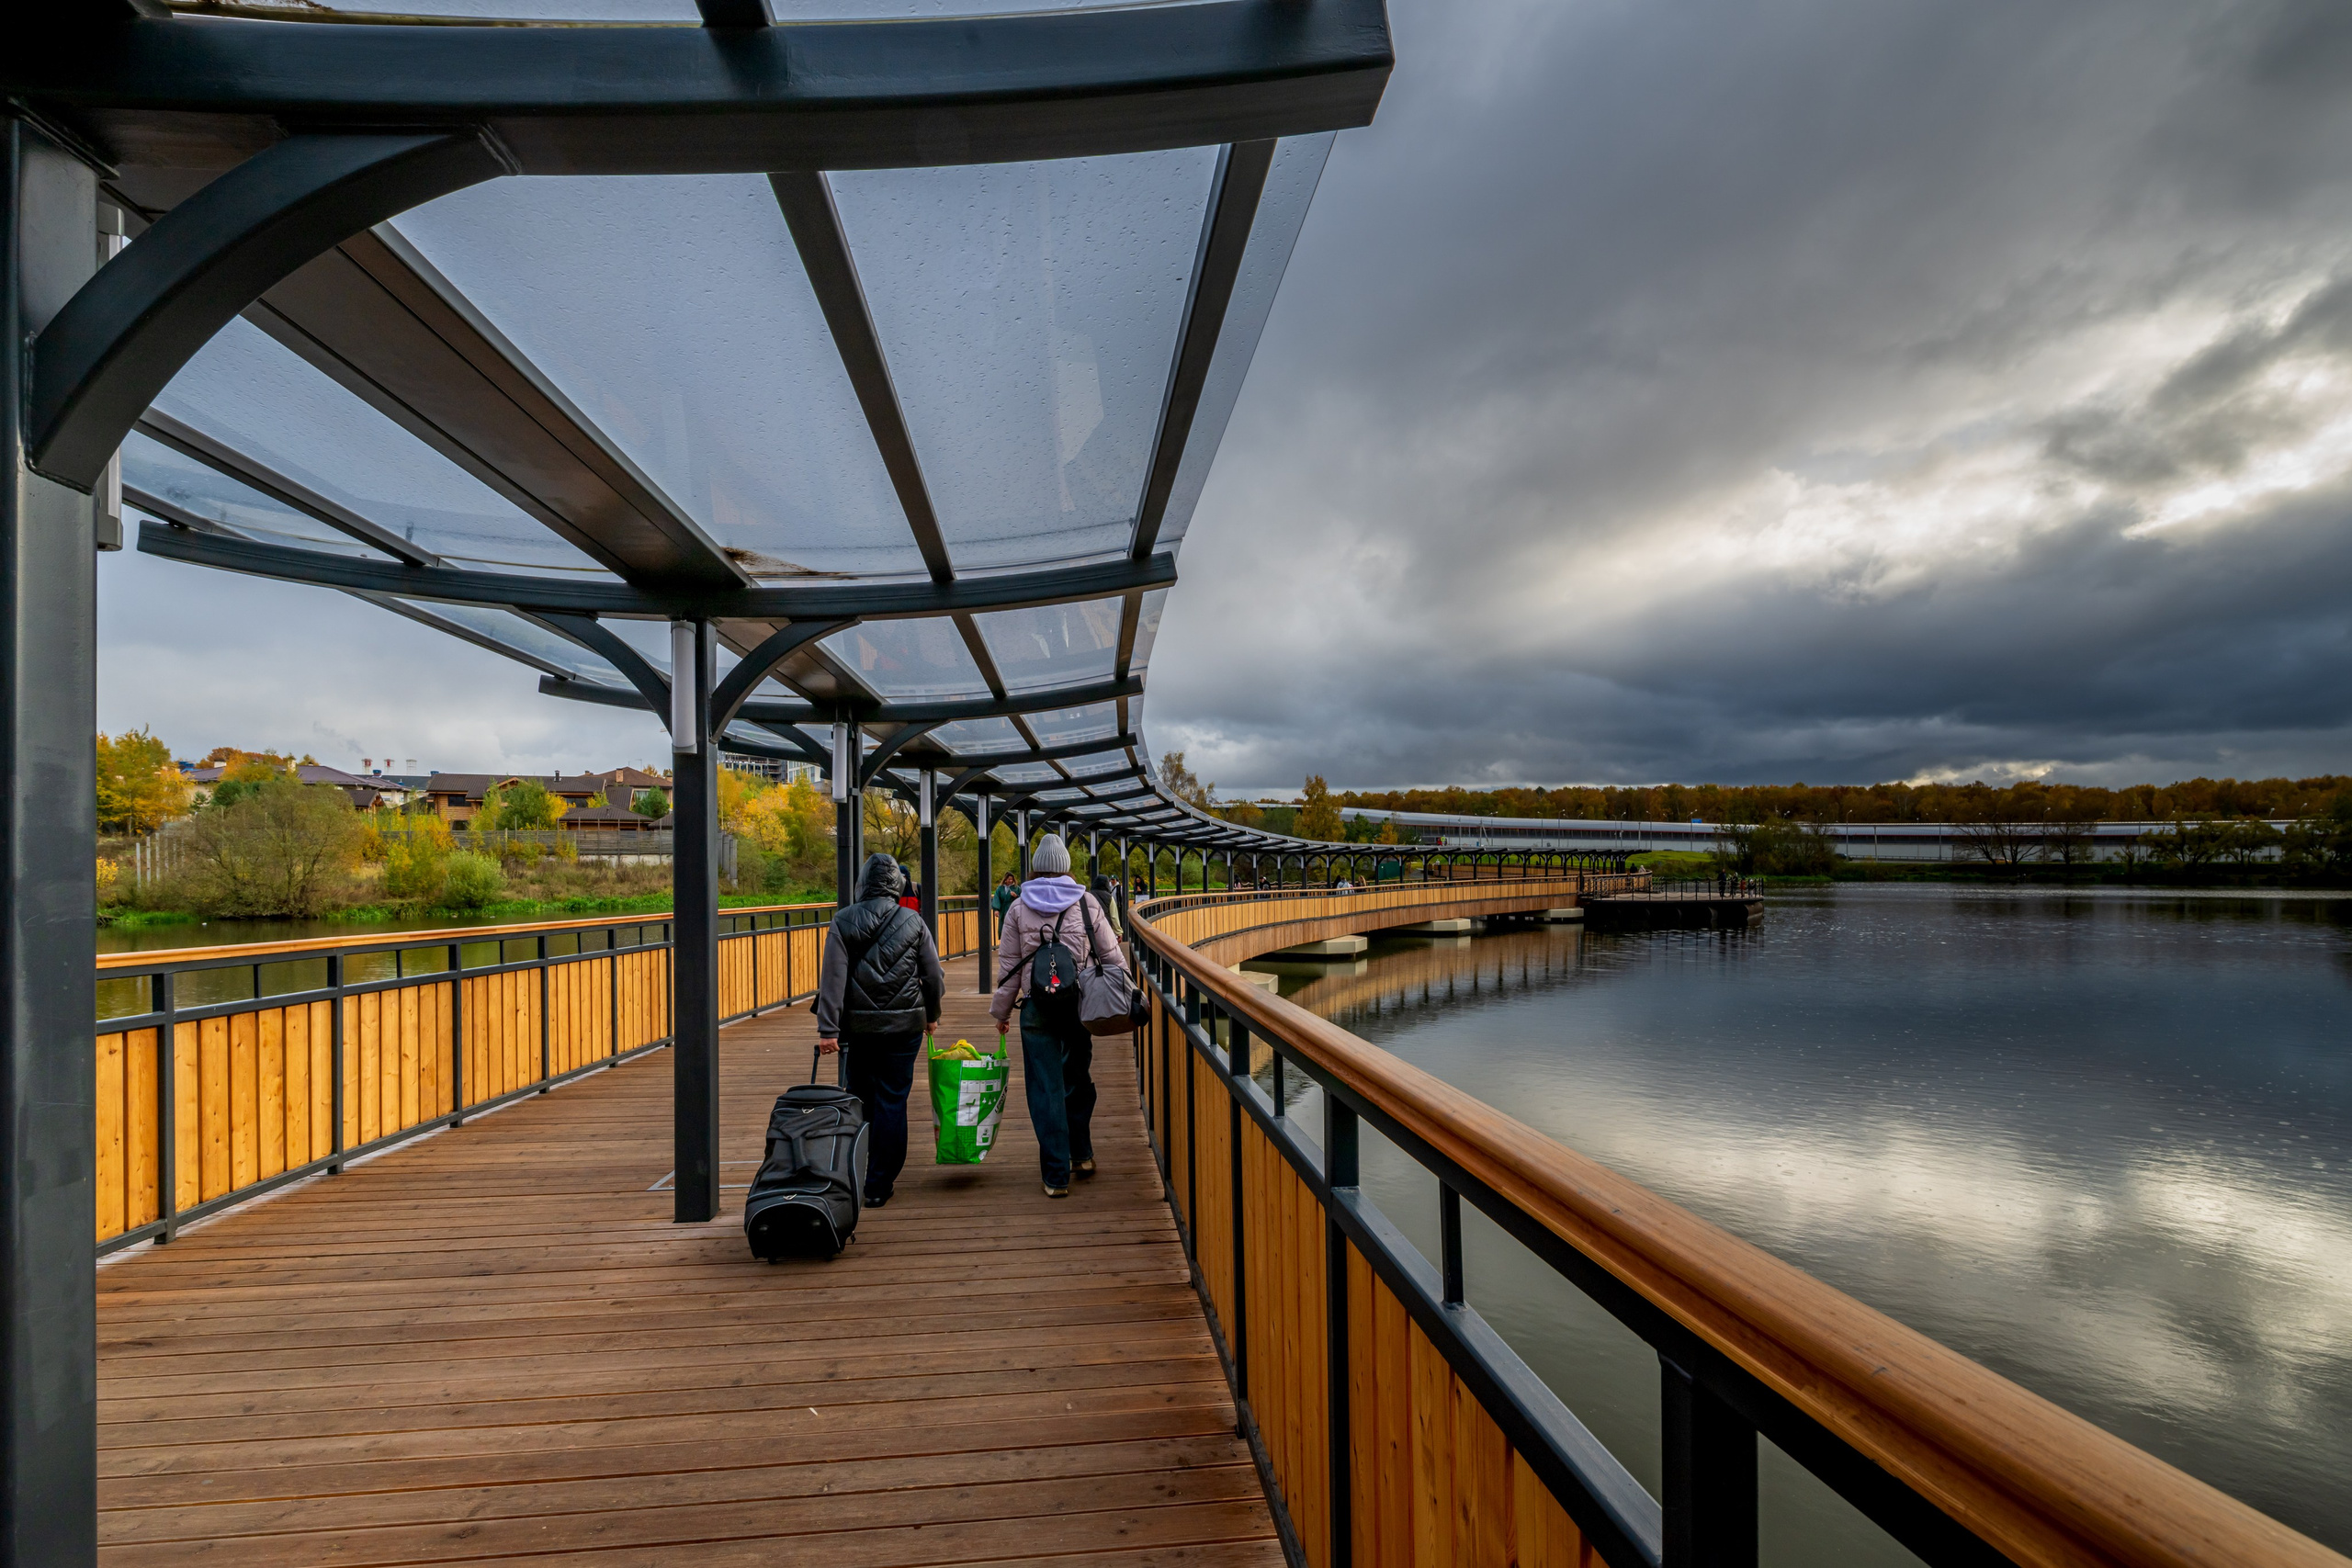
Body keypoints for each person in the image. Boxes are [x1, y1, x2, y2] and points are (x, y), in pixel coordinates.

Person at [991, 833, 1123, 1198]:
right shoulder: (1087, 902)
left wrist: (1002, 1011)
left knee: (1045, 1088)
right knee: (1077, 1078)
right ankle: (1080, 1154)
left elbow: (1010, 969)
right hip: (1079, 1005)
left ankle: (1055, 1176)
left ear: (1036, 867)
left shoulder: (1018, 907)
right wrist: (1128, 995)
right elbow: (1111, 955)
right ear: (1065, 865)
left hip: (1036, 1008)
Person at [814, 853, 946, 1209]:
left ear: (862, 884)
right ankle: (879, 1183)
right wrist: (931, 1014)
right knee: (892, 1100)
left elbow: (832, 979)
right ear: (897, 885)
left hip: (859, 1029)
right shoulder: (913, 921)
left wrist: (828, 1029)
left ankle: (855, 1173)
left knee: (859, 1098)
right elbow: (933, 975)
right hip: (905, 1028)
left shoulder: (843, 921)